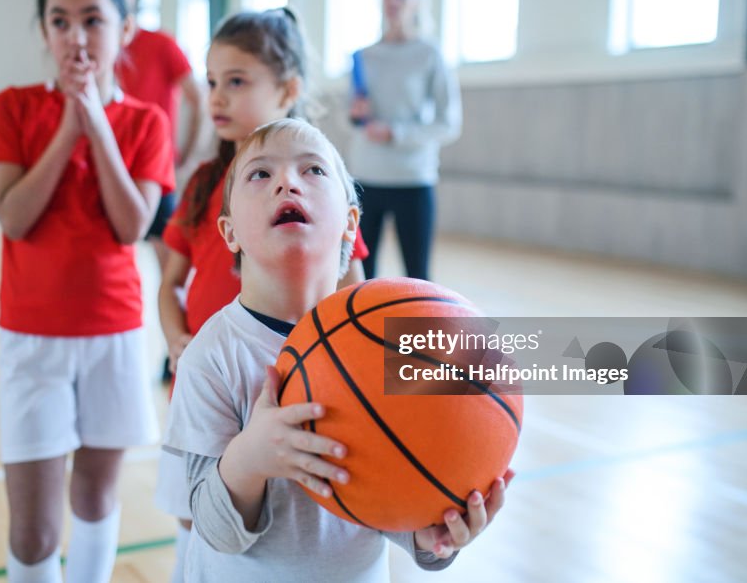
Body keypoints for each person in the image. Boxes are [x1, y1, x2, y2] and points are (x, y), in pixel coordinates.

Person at [164, 119, 511, 580]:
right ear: (229, 234)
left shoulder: (387, 343)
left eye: (313, 171)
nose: (288, 181)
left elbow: (397, 480)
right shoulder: (212, 356)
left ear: (350, 224)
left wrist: (431, 535)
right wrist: (251, 457)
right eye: (261, 174)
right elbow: (212, 529)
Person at [0, 0, 174, 583]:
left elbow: (131, 225)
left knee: (94, 498)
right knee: (33, 528)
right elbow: (13, 217)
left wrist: (99, 127)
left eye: (93, 20)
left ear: (126, 29)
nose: (76, 37)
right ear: (43, 31)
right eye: (60, 21)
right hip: (33, 336)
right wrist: (67, 127)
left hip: (113, 333)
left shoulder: (146, 121)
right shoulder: (12, 108)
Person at [154, 8, 369, 583]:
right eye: (211, 82)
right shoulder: (204, 186)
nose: (217, 96)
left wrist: (434, 531)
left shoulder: (358, 345)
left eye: (237, 80)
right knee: (199, 525)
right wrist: (177, 340)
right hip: (218, 380)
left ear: (288, 89)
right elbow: (169, 283)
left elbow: (358, 292)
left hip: (310, 353)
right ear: (231, 231)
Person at [348, 0, 462, 280]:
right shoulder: (364, 56)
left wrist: (395, 133)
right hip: (366, 178)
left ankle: (414, 333)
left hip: (413, 178)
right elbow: (352, 118)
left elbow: (448, 122)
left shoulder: (429, 54)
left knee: (417, 277)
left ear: (417, 1)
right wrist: (356, 117)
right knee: (361, 276)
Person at [113, 0, 204, 266]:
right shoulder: (101, 48)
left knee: (169, 264)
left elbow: (197, 99)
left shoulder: (162, 44)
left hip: (154, 166)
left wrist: (186, 155)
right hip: (111, 162)